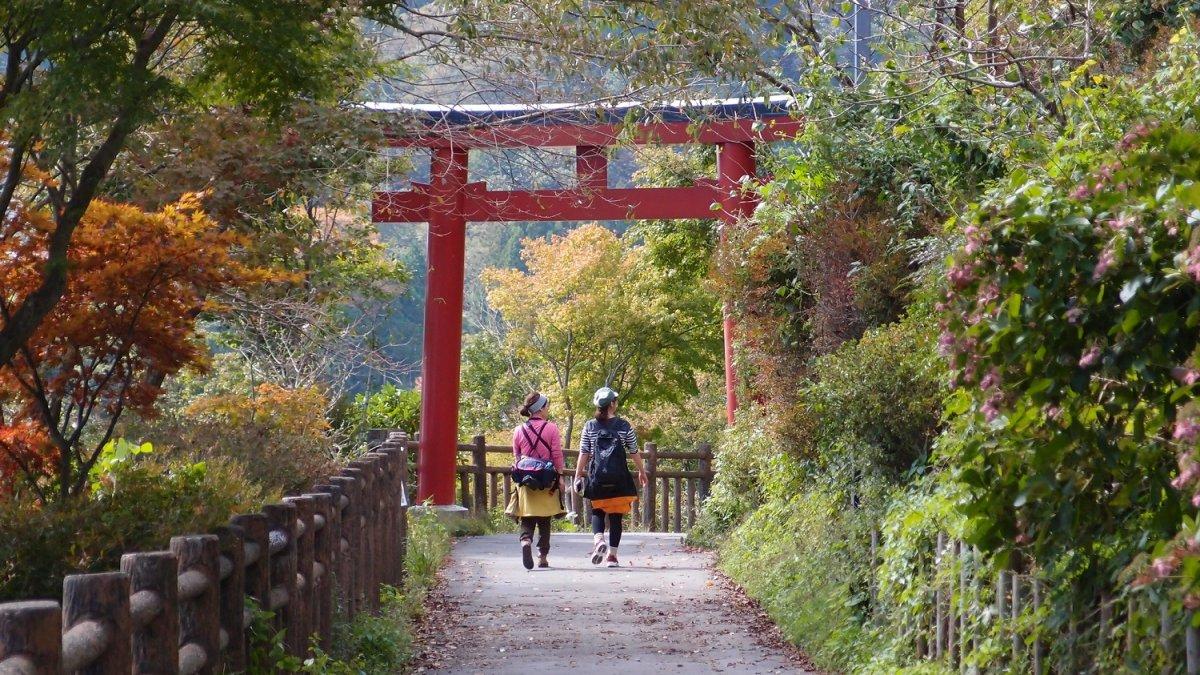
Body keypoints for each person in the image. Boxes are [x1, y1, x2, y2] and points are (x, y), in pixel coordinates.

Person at [573, 386, 646, 568]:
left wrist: (578, 474)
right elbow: (634, 451)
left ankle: (599, 540)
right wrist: (642, 471)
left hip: (597, 478)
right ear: (612, 404)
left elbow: (584, 452)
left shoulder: (590, 426)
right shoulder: (624, 426)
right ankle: (612, 557)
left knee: (597, 510)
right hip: (619, 478)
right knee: (616, 517)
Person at [507, 391, 566, 570]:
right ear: (540, 408)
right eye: (547, 406)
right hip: (546, 479)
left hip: (525, 480)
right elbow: (556, 454)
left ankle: (526, 541)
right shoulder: (551, 428)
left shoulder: (519, 430)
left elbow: (517, 456)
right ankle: (542, 557)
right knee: (545, 519)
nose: (548, 409)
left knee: (527, 516)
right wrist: (560, 476)